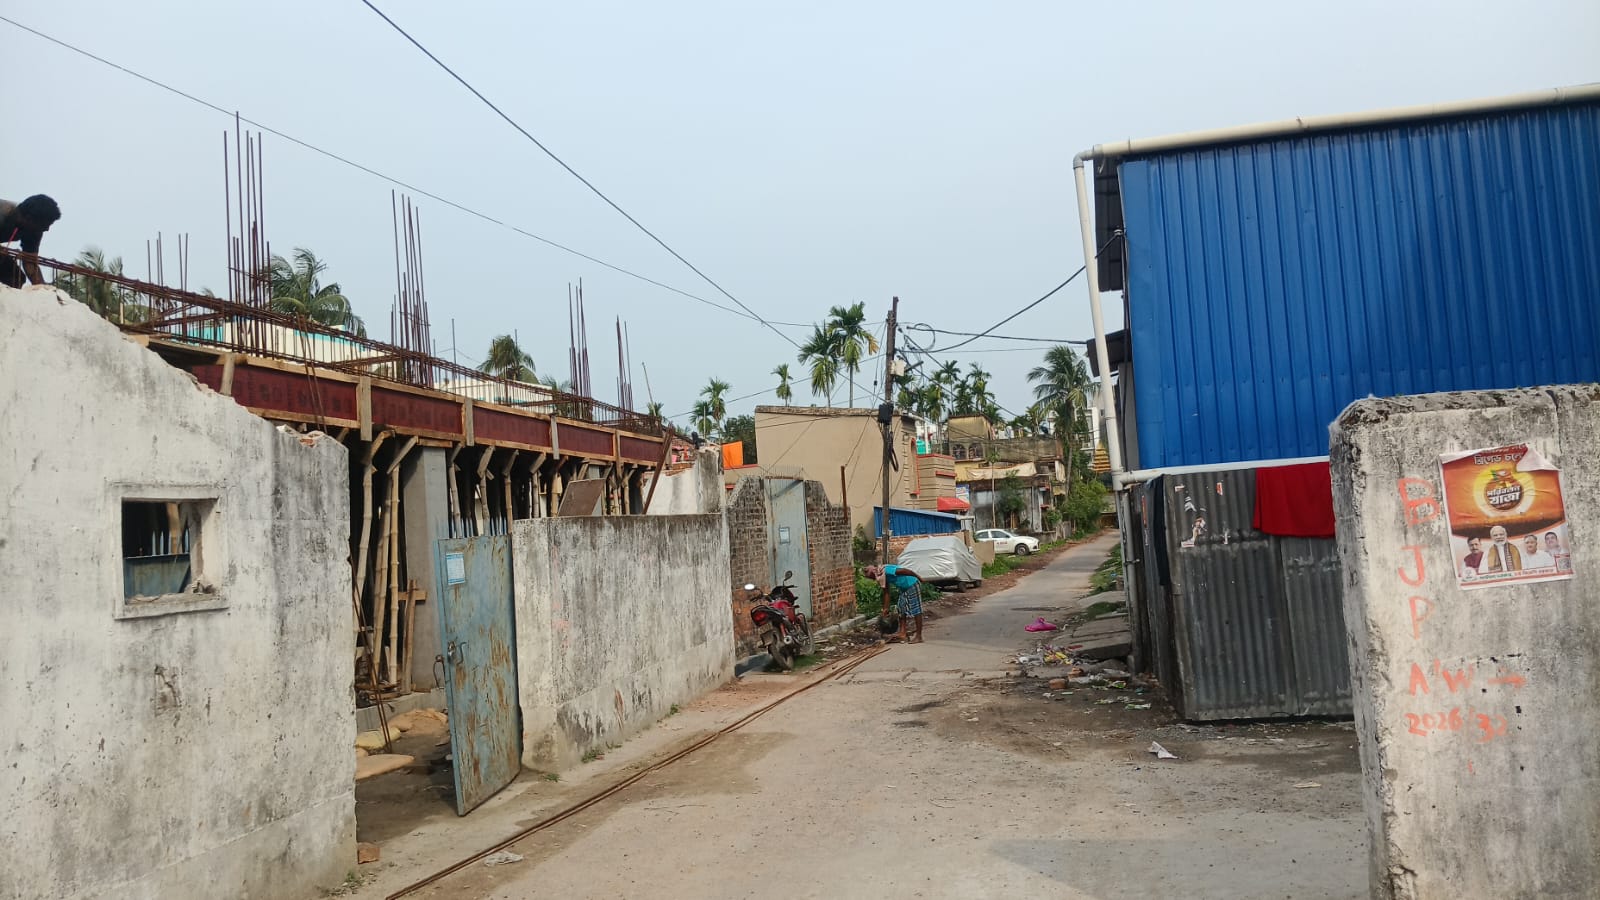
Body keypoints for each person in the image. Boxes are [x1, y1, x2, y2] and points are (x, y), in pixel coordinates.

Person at [0, 195, 62, 288]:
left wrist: (42, 288)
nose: (47, 229)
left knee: (15, 278)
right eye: (44, 225)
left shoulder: (33, 230)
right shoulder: (3, 213)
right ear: (29, 218)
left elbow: (30, 262)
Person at [866, 563, 925, 644]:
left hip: (912, 584)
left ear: (874, 572)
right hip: (903, 588)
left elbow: (906, 571)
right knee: (901, 608)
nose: (873, 579)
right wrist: (886, 609)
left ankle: (919, 636)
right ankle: (902, 633)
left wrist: (918, 577)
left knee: (916, 609)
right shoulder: (882, 576)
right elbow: (886, 592)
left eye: (872, 577)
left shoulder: (887, 570)